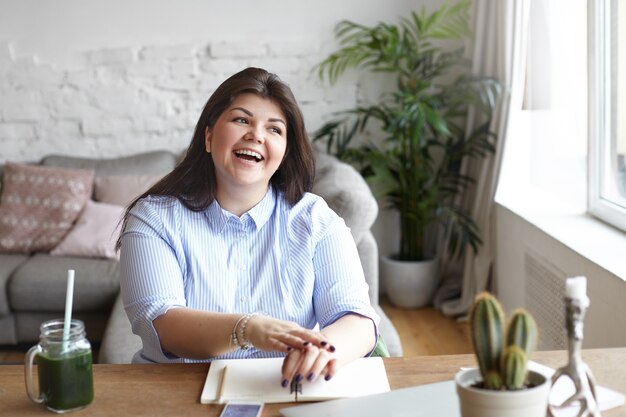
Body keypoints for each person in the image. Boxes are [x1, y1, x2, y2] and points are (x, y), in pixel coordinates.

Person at [117, 67, 379, 387]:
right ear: (209, 136)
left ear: (284, 152)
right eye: (242, 120)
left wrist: (324, 351)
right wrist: (248, 329)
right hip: (179, 389)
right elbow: (162, 323)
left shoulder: (315, 219)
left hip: (284, 387)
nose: (256, 135)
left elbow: (358, 320)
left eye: (275, 129)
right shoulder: (153, 218)